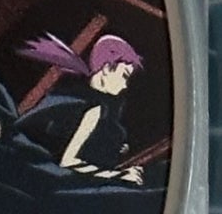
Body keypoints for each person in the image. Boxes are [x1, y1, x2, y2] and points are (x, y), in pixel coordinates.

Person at [11, 32, 147, 181]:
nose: (125, 85)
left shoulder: (82, 96)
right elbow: (68, 162)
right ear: (107, 68)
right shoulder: (92, 107)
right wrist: (119, 175)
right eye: (124, 75)